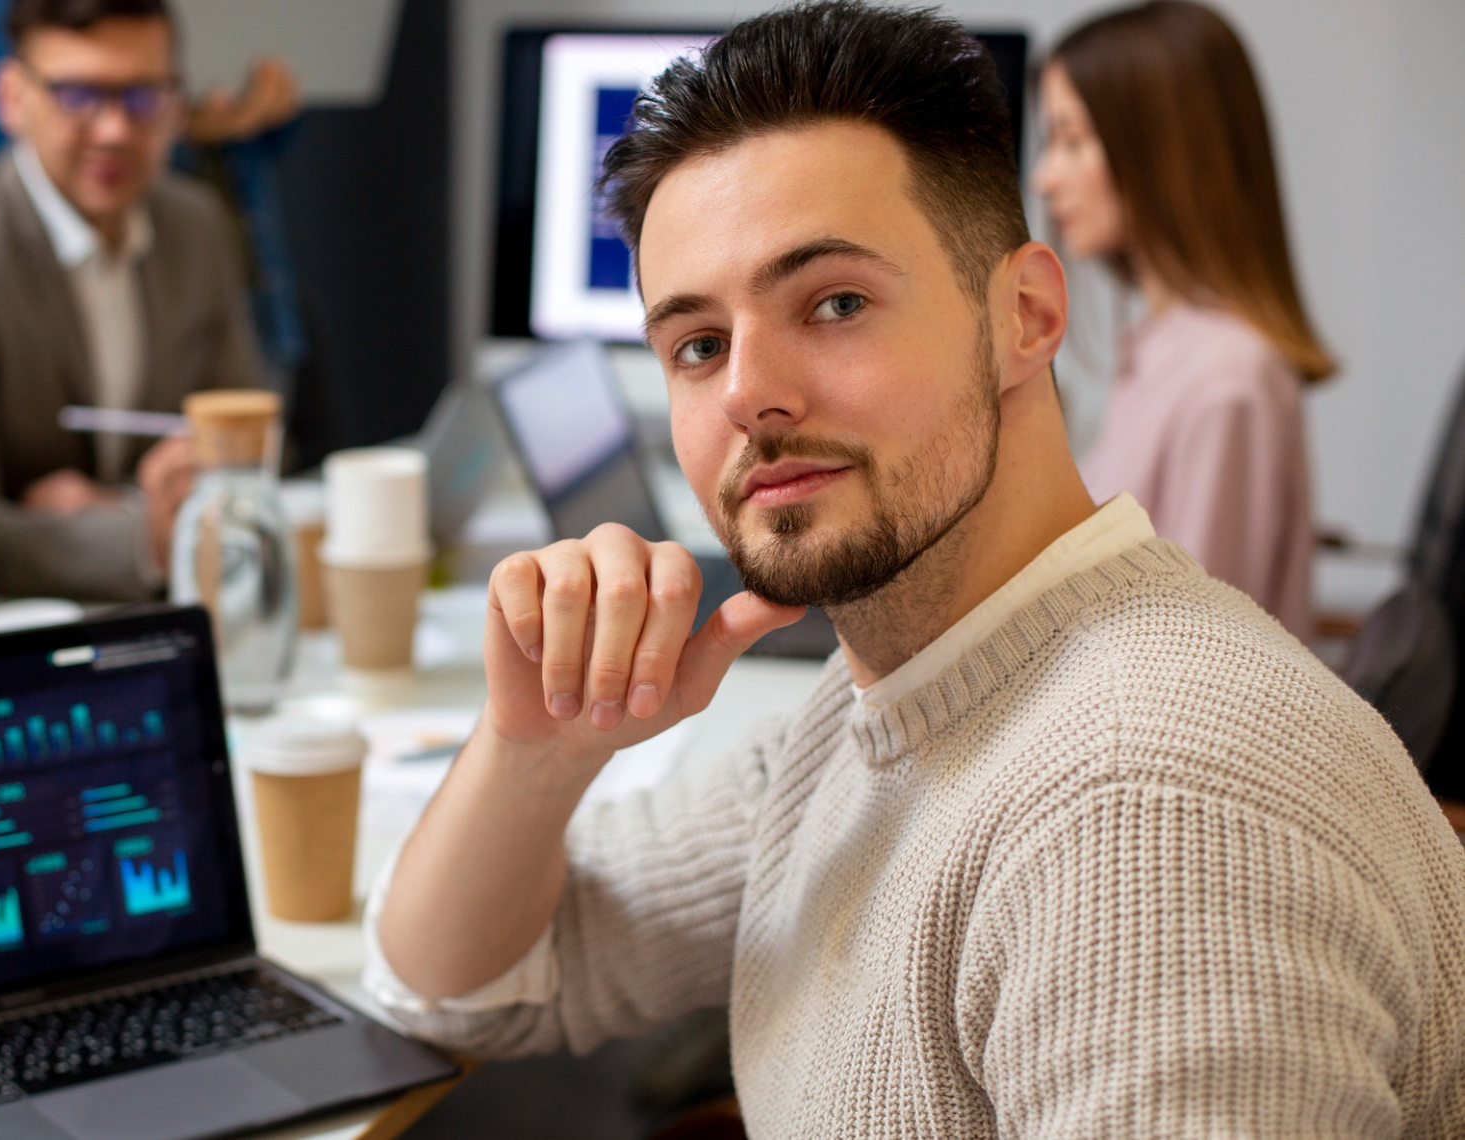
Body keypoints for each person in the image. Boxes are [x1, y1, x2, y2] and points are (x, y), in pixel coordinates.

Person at [365, 3, 1465, 1136]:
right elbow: (460, 986)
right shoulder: (878, 705)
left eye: (833, 303)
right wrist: (536, 750)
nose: (746, 393)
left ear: (1024, 316)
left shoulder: (1150, 812)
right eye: (696, 344)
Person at [0, 0, 270, 602]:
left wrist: (109, 510)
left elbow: (252, 443)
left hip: (189, 613)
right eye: (78, 95)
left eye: (144, 97)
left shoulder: (196, 227)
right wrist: (141, 534)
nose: (115, 129)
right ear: (12, 98)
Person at [1034, 0, 1333, 640]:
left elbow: (1198, 653)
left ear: (1161, 151)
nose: (1045, 176)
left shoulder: (1226, 382)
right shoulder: (1164, 351)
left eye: (1071, 139)